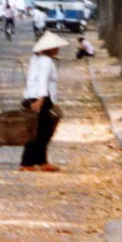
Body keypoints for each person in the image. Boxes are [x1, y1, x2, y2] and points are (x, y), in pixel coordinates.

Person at [20, 32, 70, 172]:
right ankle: (27, 162)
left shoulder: (35, 59)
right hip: (40, 98)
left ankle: (41, 161)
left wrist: (54, 101)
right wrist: (41, 98)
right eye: (56, 47)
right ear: (51, 48)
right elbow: (43, 80)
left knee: (39, 130)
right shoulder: (47, 62)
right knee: (41, 132)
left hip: (30, 96)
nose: (58, 49)